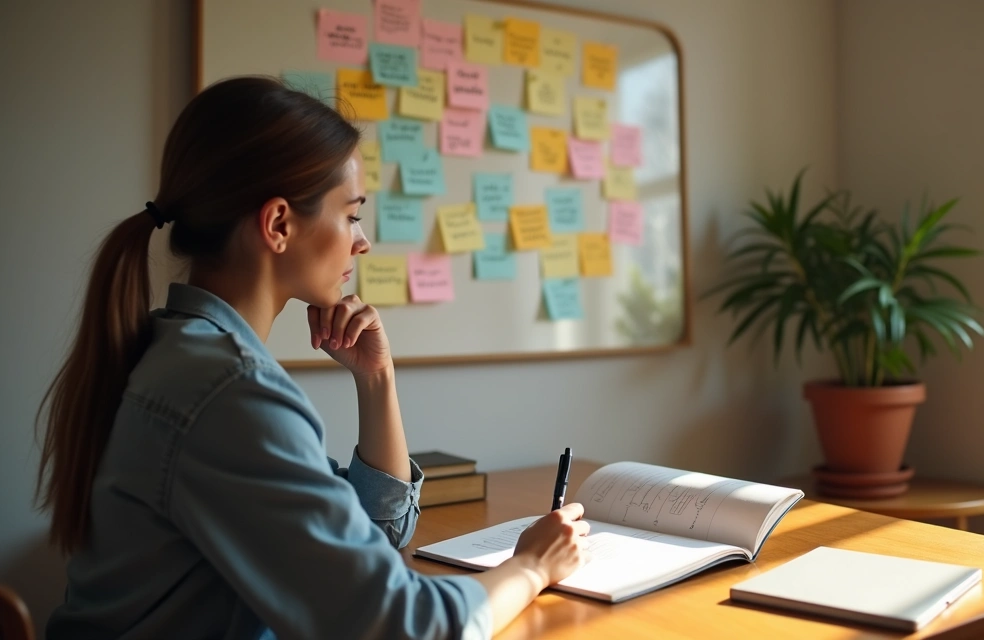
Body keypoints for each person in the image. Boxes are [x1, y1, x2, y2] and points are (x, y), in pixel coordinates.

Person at [36, 76, 589, 639]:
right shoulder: (228, 393)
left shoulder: (181, 355)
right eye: (351, 214)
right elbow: (401, 628)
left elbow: (370, 534)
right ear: (278, 224)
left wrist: (376, 380)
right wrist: (532, 566)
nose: (362, 240)